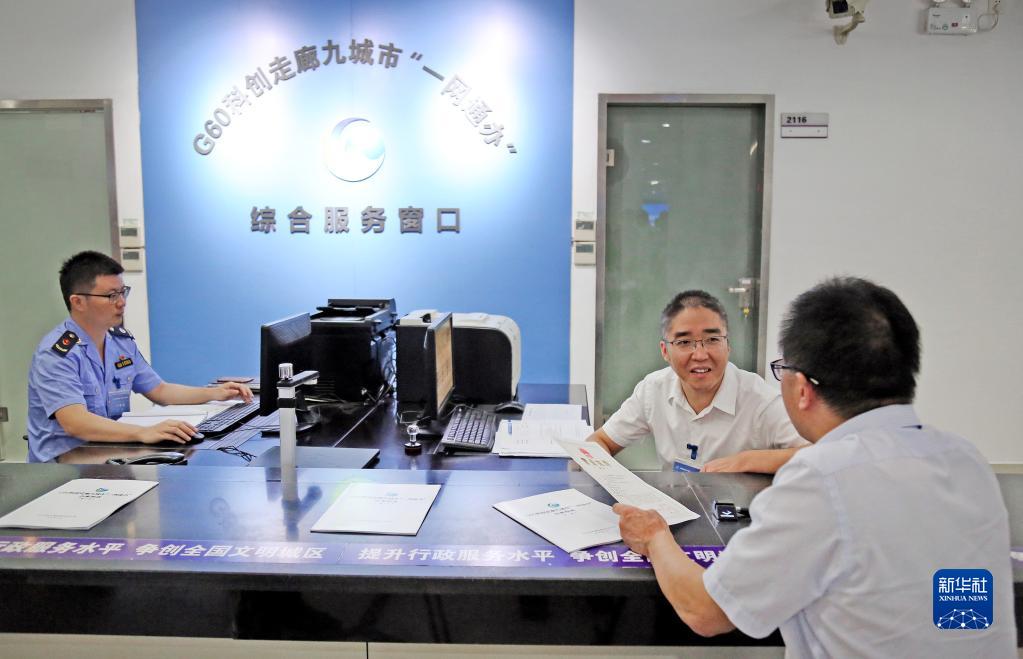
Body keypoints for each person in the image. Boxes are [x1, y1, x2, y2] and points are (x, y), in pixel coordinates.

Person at [613, 277, 1015, 656]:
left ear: (802, 388)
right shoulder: (966, 461)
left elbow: (705, 610)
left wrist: (654, 536)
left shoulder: (821, 478)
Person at [27, 251, 253, 463]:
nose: (121, 302)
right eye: (111, 295)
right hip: (64, 465)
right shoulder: (57, 354)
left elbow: (160, 391)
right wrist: (144, 432)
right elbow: (76, 423)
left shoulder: (120, 342)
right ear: (78, 302)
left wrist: (215, 393)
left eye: (122, 292)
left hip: (110, 452)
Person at [587, 290, 808, 474]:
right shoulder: (653, 389)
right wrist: (616, 482)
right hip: (673, 506)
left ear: (728, 345)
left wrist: (747, 461)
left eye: (712, 340)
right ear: (665, 351)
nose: (700, 355)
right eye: (684, 342)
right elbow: (599, 442)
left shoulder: (761, 400)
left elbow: (817, 454)